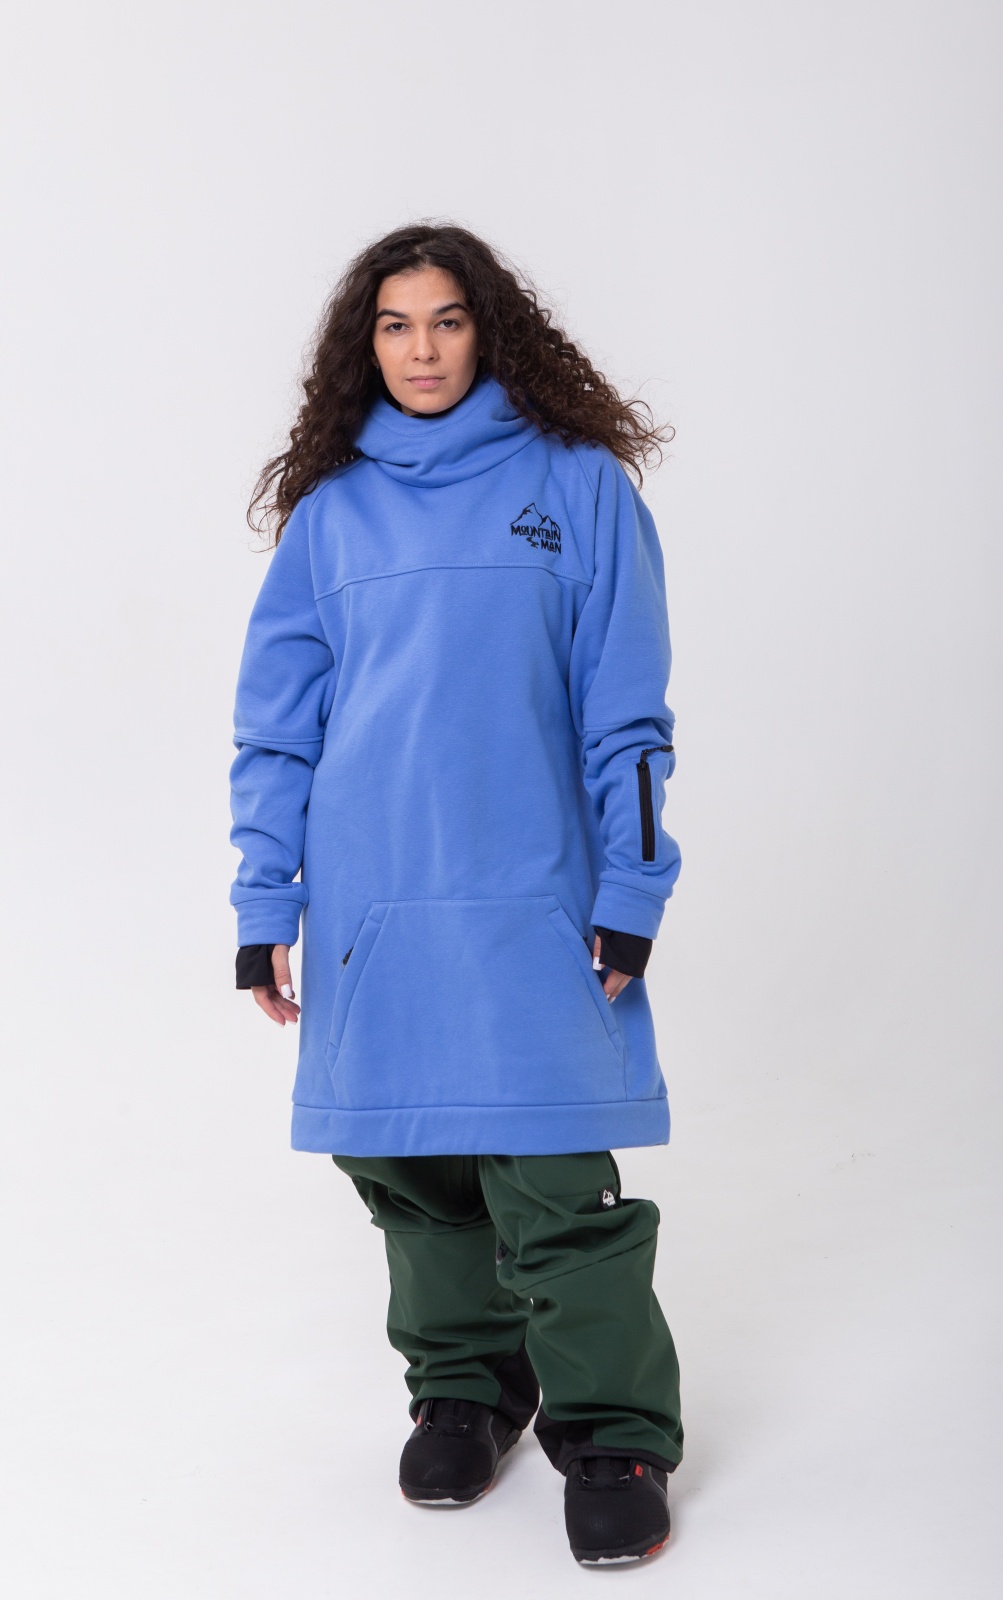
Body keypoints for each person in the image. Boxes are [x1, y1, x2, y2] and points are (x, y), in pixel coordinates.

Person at [228, 222, 683, 1565]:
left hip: (533, 900)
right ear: (362, 346)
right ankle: (467, 1389)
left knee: (554, 1176)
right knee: (412, 1172)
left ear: (489, 331)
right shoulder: (331, 516)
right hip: (373, 906)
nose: (420, 349)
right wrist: (264, 903)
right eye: (394, 325)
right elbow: (276, 729)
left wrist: (634, 887)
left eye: (446, 320)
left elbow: (628, 716)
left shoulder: (580, 488)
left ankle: (613, 1429)